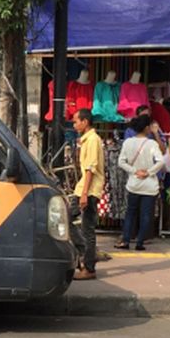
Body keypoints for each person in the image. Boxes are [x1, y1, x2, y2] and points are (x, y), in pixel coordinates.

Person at [115, 114, 164, 251]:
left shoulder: (128, 142)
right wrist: (148, 172)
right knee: (146, 215)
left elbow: (121, 162)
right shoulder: (152, 144)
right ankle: (140, 242)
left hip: (134, 183)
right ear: (147, 128)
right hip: (149, 185)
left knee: (130, 213)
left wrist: (134, 171)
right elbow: (161, 161)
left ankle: (126, 240)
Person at [71, 108, 104, 280]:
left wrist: (84, 194)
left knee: (88, 230)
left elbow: (90, 168)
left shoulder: (92, 140)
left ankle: (89, 267)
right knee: (67, 219)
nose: (74, 124)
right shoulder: (86, 140)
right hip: (83, 188)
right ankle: (84, 254)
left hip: (89, 190)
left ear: (85, 122)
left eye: (76, 121)